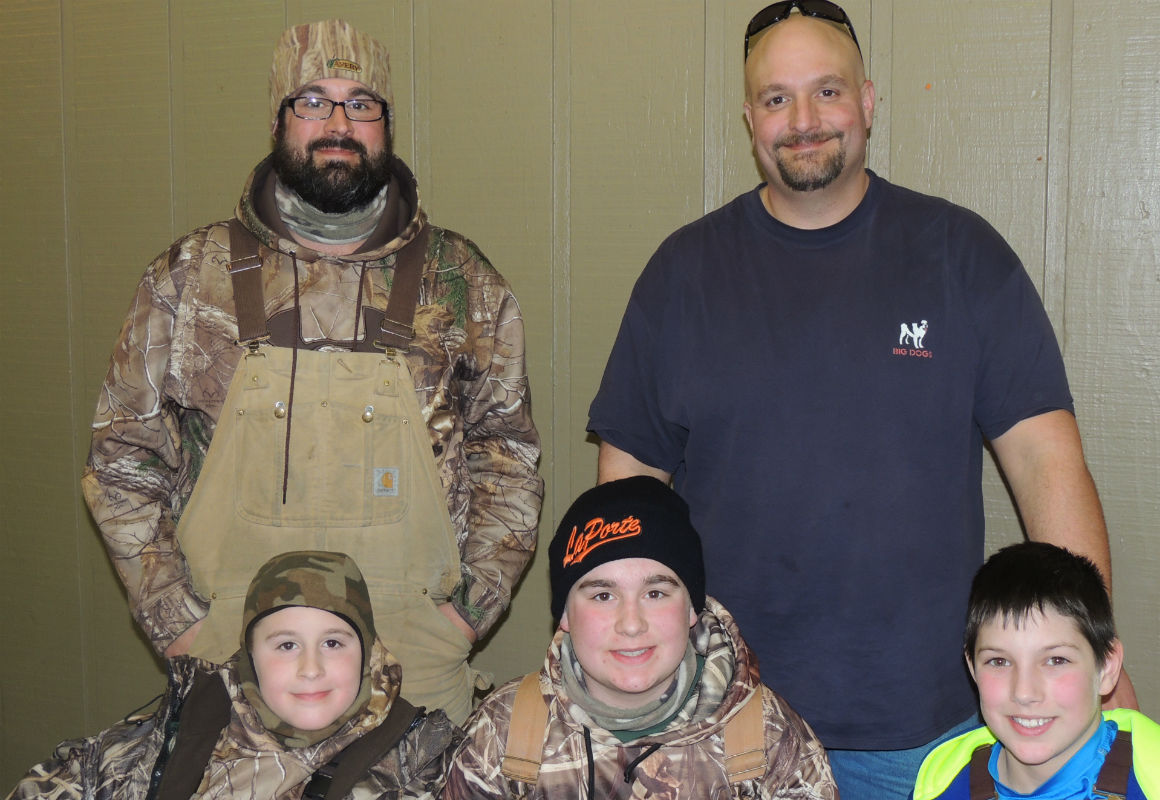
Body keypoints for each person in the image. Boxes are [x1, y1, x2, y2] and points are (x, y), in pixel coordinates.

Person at [586, 2, 1133, 796]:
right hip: (724, 728)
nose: (803, 120)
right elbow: (626, 495)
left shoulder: (961, 256)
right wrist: (620, 675)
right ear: (749, 119)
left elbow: (1049, 468)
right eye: (776, 99)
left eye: (827, 92)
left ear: (868, 103)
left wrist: (1094, 674)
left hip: (931, 733)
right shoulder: (682, 276)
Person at [81, 18, 543, 723]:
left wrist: (464, 617)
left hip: (412, 667)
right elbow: (120, 460)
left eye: (361, 103)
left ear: (386, 125)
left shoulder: (464, 284)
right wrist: (177, 621)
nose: (338, 122)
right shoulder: (187, 279)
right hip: (234, 665)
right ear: (279, 118)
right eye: (313, 101)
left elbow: (509, 456)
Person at [442, 476, 839, 799]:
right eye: (602, 594)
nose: (631, 624)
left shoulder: (767, 738)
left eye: (655, 593)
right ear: (564, 614)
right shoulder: (505, 734)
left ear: (691, 609)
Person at [6, 550, 461, 800]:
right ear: (248, 659)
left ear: (366, 654)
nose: (311, 668)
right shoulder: (178, 734)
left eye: (334, 642)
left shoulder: (423, 765)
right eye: (286, 645)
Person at [911, 542, 1160, 799]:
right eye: (999, 661)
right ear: (972, 668)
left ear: (1107, 666)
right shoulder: (939, 779)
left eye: (1055, 660)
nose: (1024, 693)